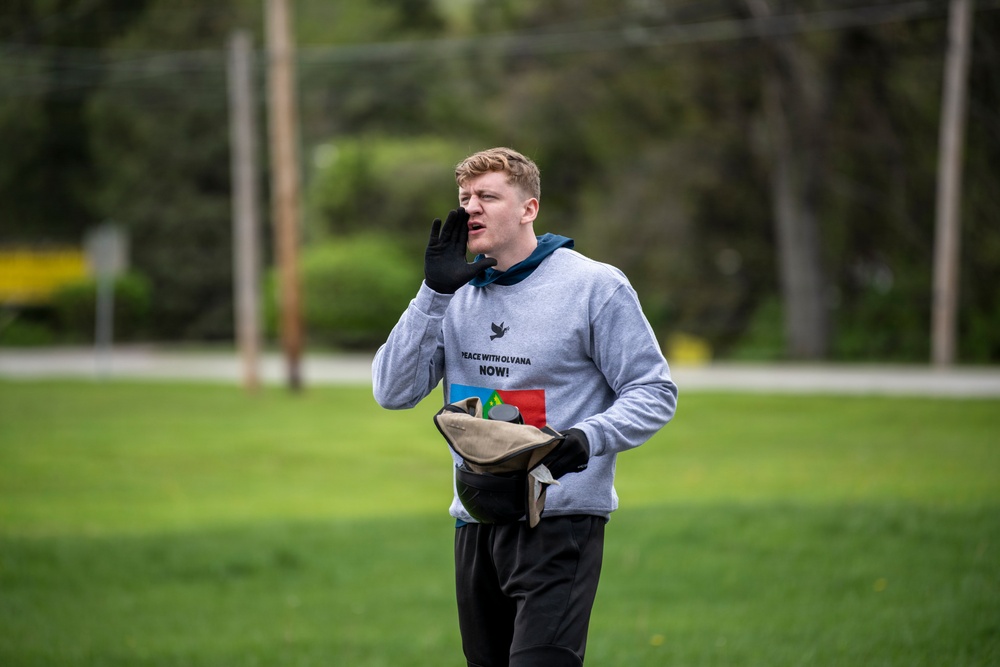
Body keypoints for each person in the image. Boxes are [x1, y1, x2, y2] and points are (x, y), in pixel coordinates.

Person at [372, 147, 677, 666]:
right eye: (465, 198)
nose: (471, 208)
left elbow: (654, 392)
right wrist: (430, 294)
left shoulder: (594, 287)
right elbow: (392, 391)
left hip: (560, 524)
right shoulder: (451, 294)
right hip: (475, 521)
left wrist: (584, 440)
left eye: (488, 196)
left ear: (528, 209)